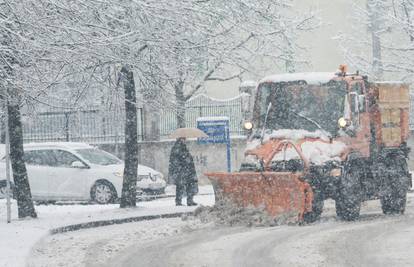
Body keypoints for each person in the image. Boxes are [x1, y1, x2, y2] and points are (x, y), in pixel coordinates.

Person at [168, 137, 198, 206]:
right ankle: (180, 201)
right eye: (183, 139)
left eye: (185, 139)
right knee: (181, 185)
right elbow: (177, 160)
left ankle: (189, 200)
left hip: (186, 170)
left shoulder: (183, 147)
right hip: (182, 170)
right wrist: (184, 163)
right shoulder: (177, 148)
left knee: (189, 184)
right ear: (180, 139)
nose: (185, 140)